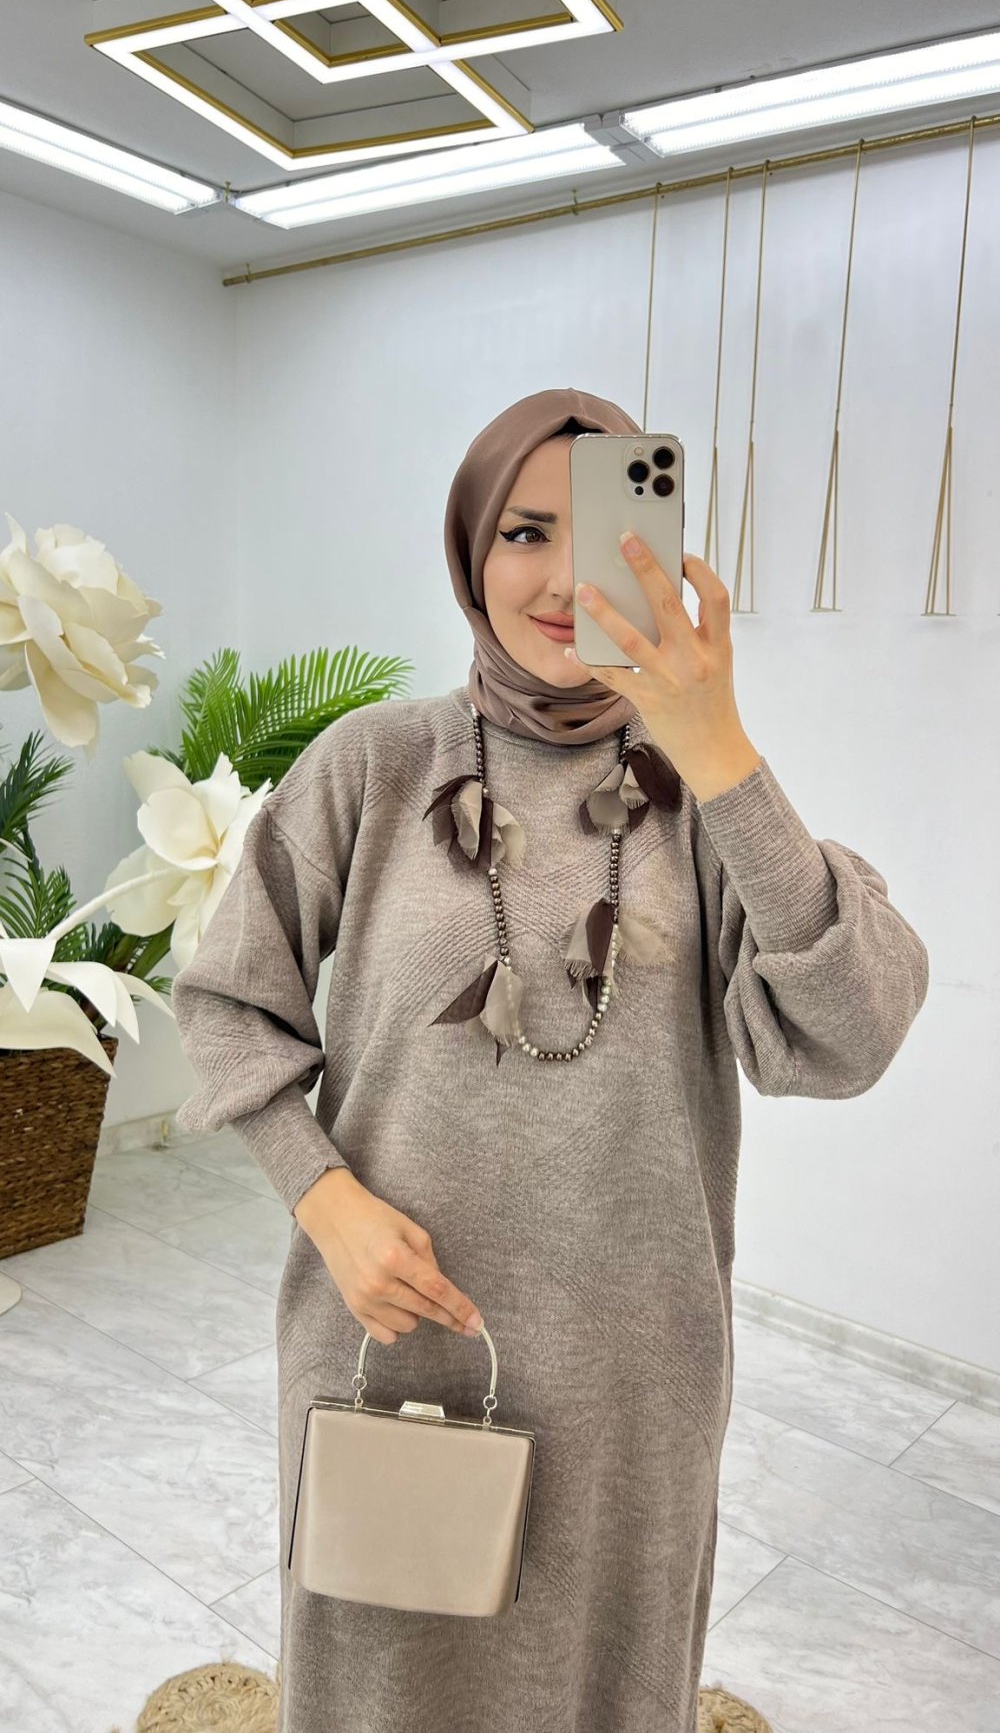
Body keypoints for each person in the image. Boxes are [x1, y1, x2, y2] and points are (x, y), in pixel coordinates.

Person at [171, 386, 930, 1733]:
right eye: (526, 531)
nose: (567, 577)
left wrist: (719, 752)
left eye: (603, 533)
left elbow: (849, 1033)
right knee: (383, 1684)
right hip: (392, 1335)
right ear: (472, 552)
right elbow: (229, 999)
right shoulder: (372, 766)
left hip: (632, 1376)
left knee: (599, 1691)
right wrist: (323, 1196)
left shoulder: (706, 798)